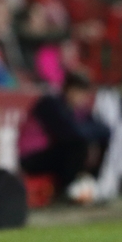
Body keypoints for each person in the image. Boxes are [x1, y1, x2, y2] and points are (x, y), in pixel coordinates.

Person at [18, 71, 111, 203]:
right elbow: (70, 133)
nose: (83, 98)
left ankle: (91, 182)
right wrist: (85, 132)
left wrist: (85, 133)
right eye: (80, 92)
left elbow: (105, 131)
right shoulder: (50, 104)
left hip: (55, 154)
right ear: (69, 89)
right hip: (32, 158)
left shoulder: (80, 110)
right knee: (76, 144)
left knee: (95, 141)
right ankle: (68, 190)